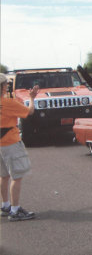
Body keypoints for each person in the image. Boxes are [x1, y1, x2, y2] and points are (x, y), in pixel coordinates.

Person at [0, 74, 39, 221]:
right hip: (10, 143)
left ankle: (5, 205)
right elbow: (29, 112)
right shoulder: (9, 103)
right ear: (3, 87)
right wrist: (32, 98)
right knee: (16, 176)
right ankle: (15, 211)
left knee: (3, 176)